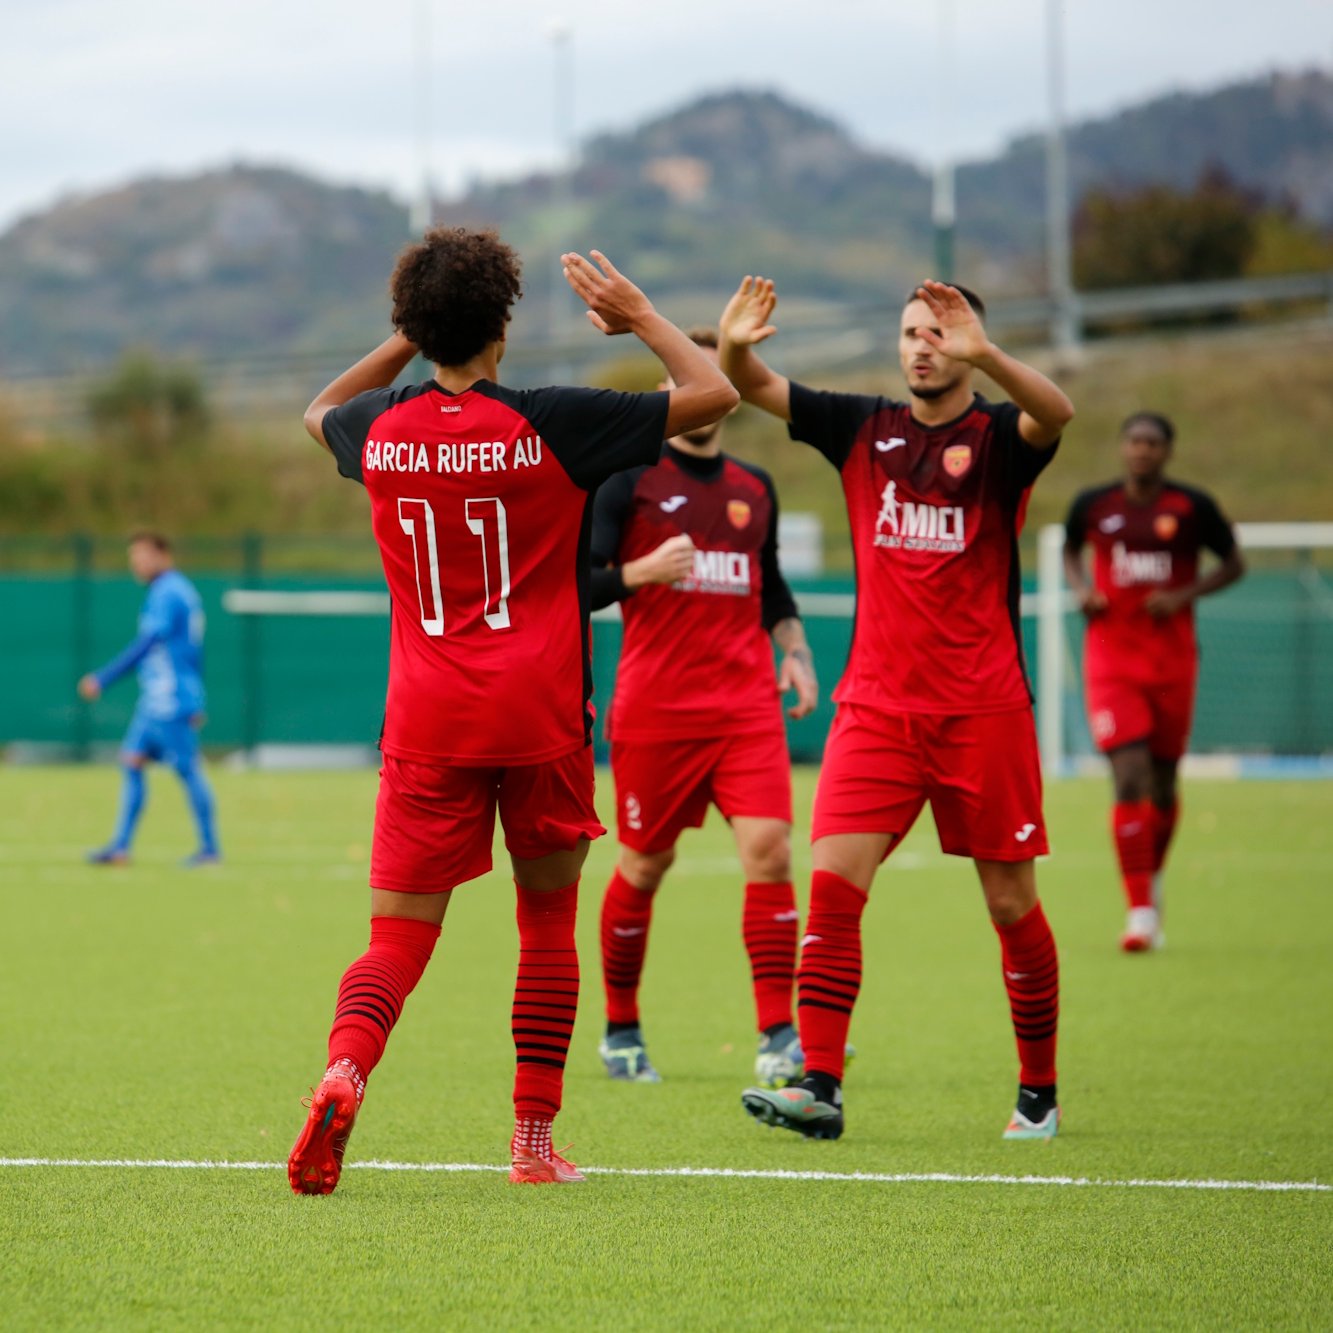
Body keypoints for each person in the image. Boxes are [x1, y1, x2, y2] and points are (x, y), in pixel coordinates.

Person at [287, 229, 736, 1193]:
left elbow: (317, 409)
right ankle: (531, 1143)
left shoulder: (376, 427)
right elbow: (712, 394)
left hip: (426, 719)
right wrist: (638, 315)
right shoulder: (555, 420)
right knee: (545, 924)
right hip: (539, 717)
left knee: (397, 938)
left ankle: (344, 1071)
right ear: (503, 323)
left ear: (415, 324)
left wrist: (408, 336)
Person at [719, 275, 1074, 1142]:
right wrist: (731, 345)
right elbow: (752, 384)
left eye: (940, 333)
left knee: (1009, 904)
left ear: (970, 347)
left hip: (982, 710)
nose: (922, 345)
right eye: (912, 331)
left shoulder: (998, 437)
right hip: (875, 709)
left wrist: (986, 351)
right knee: (833, 891)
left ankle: (1037, 1089)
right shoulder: (861, 427)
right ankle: (819, 1085)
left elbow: (1055, 411)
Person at [589, 327, 820, 1089]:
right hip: (656, 711)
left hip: (745, 708)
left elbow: (771, 584)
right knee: (644, 863)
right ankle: (620, 1027)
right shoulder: (627, 477)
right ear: (667, 387)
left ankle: (778, 1032)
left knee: (770, 851)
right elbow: (578, 581)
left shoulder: (754, 488)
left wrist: (794, 650)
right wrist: (639, 571)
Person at [1063, 411, 1243, 952]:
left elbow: (1234, 563)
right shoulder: (1093, 505)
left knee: (1163, 785)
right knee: (1129, 776)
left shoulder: (1191, 507)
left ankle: (1153, 877)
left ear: (1167, 451)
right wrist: (1081, 589)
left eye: (1152, 443)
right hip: (1110, 661)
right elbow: (1070, 549)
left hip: (1172, 662)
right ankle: (1140, 911)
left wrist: (1184, 596)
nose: (1142, 450)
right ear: (1123, 448)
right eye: (1134, 441)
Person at [78, 531, 219, 867]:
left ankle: (210, 849)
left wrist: (103, 678)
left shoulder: (169, 592)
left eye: (142, 556)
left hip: (170, 699)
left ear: (163, 555)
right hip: (155, 700)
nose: (136, 564)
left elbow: (148, 644)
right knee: (132, 761)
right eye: (133, 558)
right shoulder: (171, 590)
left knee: (187, 769)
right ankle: (120, 847)